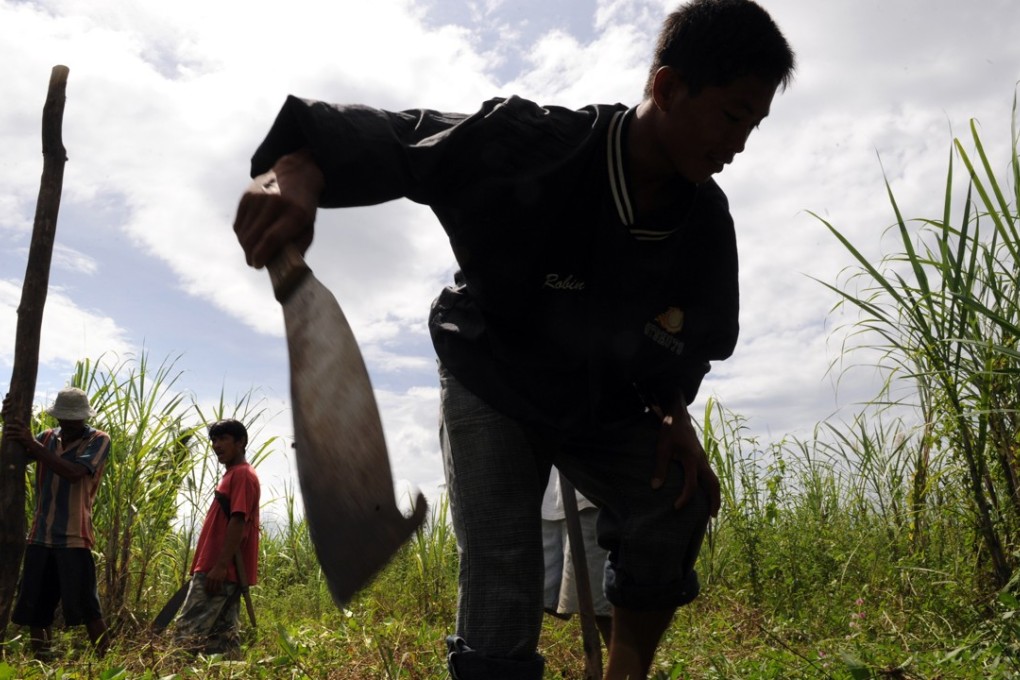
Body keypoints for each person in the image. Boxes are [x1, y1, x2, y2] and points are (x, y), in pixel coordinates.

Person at [232, 1, 795, 676]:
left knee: (676, 500)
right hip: (492, 372)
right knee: (503, 577)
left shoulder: (703, 222)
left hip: (599, 399)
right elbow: (398, 137)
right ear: (669, 88)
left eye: (754, 125)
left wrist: (675, 414)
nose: (739, 143)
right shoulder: (530, 144)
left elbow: (691, 340)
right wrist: (298, 172)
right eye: (732, 116)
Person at [2, 387, 111, 659]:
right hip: (40, 536)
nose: (70, 423)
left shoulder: (98, 439)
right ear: (58, 418)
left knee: (88, 607)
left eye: (75, 418)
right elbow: (12, 456)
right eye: (65, 418)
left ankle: (105, 662)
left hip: (75, 537)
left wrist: (32, 444)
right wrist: (10, 422)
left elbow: (74, 473)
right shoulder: (47, 438)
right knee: (37, 609)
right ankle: (43, 660)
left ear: (84, 418)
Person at [172, 419, 260, 656]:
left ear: (241, 442)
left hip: (219, 570)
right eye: (214, 440)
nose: (217, 445)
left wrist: (220, 565)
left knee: (185, 635)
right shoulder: (234, 474)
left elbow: (239, 520)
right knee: (223, 642)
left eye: (224, 439)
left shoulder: (241, 474)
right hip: (223, 571)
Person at [542, 467, 612, 647]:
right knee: (536, 598)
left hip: (592, 493)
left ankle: (625, 671)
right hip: (551, 495)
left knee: (604, 608)